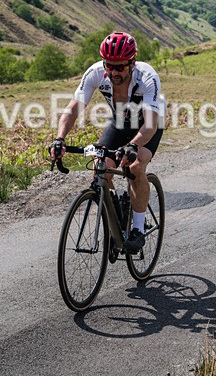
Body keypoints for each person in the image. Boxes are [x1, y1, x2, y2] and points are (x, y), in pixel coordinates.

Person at [49, 31, 165, 252]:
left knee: (136, 165)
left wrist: (133, 145)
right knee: (100, 168)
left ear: (132, 63)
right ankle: (116, 218)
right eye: (109, 65)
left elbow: (150, 126)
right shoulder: (96, 73)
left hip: (148, 125)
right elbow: (73, 109)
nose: (113, 72)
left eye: (119, 67)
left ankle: (138, 230)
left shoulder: (147, 77)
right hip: (120, 121)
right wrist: (59, 139)